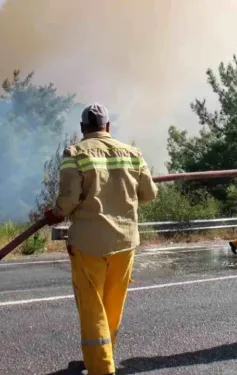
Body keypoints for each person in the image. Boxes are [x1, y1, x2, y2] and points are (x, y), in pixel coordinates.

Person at [43, 103, 159, 375]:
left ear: (83, 128)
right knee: (112, 304)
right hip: (125, 242)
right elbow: (149, 194)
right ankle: (102, 356)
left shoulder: (75, 153)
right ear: (108, 127)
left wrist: (56, 213)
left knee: (92, 306)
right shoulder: (133, 154)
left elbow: (68, 200)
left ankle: (102, 368)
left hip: (89, 244)